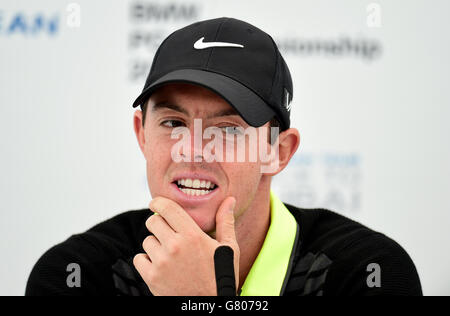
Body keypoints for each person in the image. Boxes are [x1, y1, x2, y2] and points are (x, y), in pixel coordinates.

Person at [26, 17, 422, 296]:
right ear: (141, 135)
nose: (194, 150)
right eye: (173, 123)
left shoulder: (369, 271)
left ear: (277, 151)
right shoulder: (75, 274)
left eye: (228, 129)